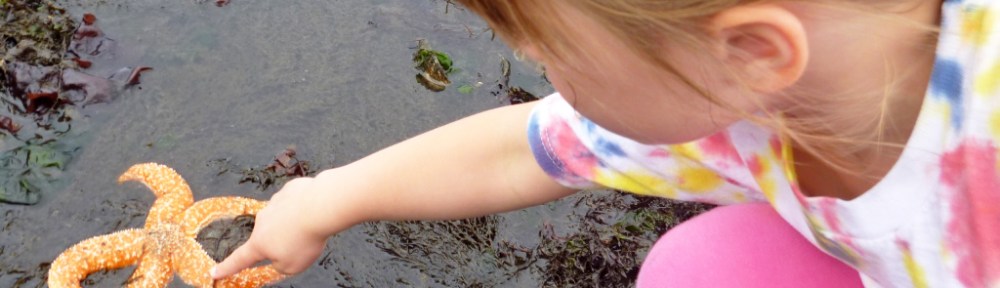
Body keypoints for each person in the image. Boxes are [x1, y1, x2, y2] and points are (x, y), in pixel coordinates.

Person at [211, 0, 1000, 286]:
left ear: (753, 51)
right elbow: (524, 149)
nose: (538, 69)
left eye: (553, 52)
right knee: (698, 271)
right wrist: (323, 199)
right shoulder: (740, 98)